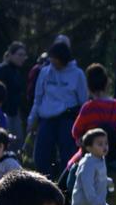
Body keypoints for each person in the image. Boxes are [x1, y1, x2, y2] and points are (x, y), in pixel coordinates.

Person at [27, 40, 89, 182]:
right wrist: (32, 119)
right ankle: (44, 185)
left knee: (67, 156)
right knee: (41, 156)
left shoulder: (77, 74)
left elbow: (83, 101)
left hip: (66, 119)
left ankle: (65, 187)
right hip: (47, 119)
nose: (53, 63)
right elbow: (38, 98)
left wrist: (83, 125)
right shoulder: (45, 72)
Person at [70, 64, 116, 171]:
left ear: (89, 86)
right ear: (106, 84)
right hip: (113, 155)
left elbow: (75, 132)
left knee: (67, 175)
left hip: (91, 154)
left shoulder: (88, 108)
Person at [0, 43, 30, 141]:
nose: (22, 58)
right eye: (19, 55)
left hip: (14, 113)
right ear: (10, 55)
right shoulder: (1, 70)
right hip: (2, 114)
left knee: (17, 142)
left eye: (24, 55)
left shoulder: (16, 72)